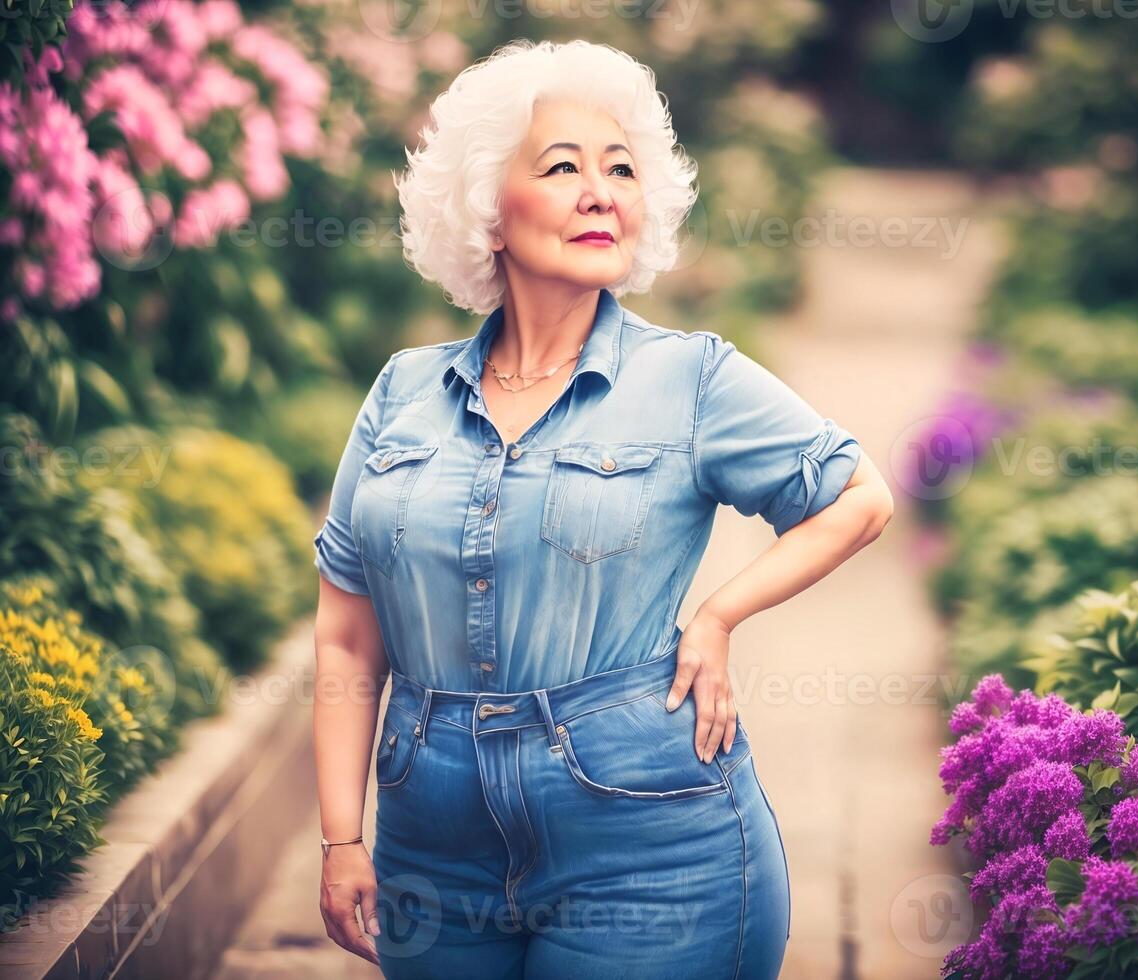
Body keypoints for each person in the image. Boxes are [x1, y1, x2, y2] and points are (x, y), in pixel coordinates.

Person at [312, 37, 894, 979]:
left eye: (621, 169)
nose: (601, 191)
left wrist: (718, 614)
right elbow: (346, 636)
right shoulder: (401, 392)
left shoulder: (691, 377)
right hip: (431, 846)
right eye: (562, 167)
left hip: (647, 841)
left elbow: (860, 496)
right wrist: (342, 839)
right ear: (486, 211)